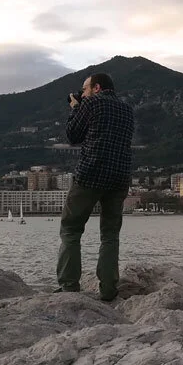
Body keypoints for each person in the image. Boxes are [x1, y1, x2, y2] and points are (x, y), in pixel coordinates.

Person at [55, 73, 135, 301]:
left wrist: (75, 108)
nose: (83, 93)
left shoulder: (91, 103)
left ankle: (69, 288)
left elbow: (73, 135)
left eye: (85, 88)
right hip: (119, 178)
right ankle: (109, 290)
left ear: (96, 88)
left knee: (71, 229)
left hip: (91, 174)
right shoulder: (127, 109)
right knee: (110, 235)